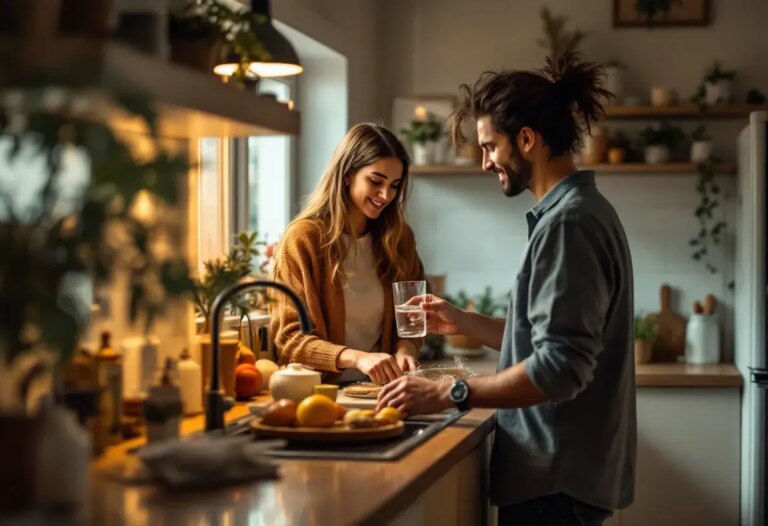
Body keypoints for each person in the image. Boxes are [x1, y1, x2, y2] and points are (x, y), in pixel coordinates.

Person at [377, 53, 636, 525]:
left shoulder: (569, 224)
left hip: (554, 481)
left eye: (490, 146)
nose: (484, 163)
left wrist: (449, 392)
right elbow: (543, 341)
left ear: (527, 139)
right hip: (559, 475)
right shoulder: (577, 211)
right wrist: (461, 320)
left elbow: (559, 369)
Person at [270, 123, 424, 385]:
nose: (386, 195)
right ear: (347, 175)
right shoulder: (303, 239)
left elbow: (415, 315)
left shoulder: (399, 239)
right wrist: (358, 358)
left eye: (395, 185)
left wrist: (407, 347)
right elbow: (289, 338)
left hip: (382, 391)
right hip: (321, 394)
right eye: (375, 181)